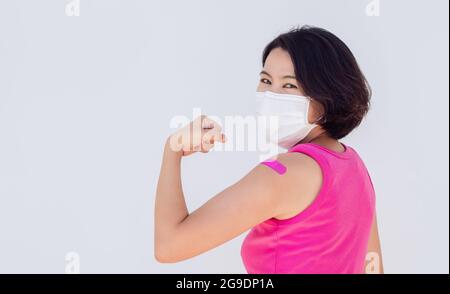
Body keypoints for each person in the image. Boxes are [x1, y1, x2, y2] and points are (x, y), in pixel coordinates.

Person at [154, 25, 383, 274]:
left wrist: (172, 150)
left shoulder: (281, 174)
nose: (270, 96)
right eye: (265, 80)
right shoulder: (354, 165)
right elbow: (373, 266)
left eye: (289, 86)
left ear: (326, 98)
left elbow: (169, 246)